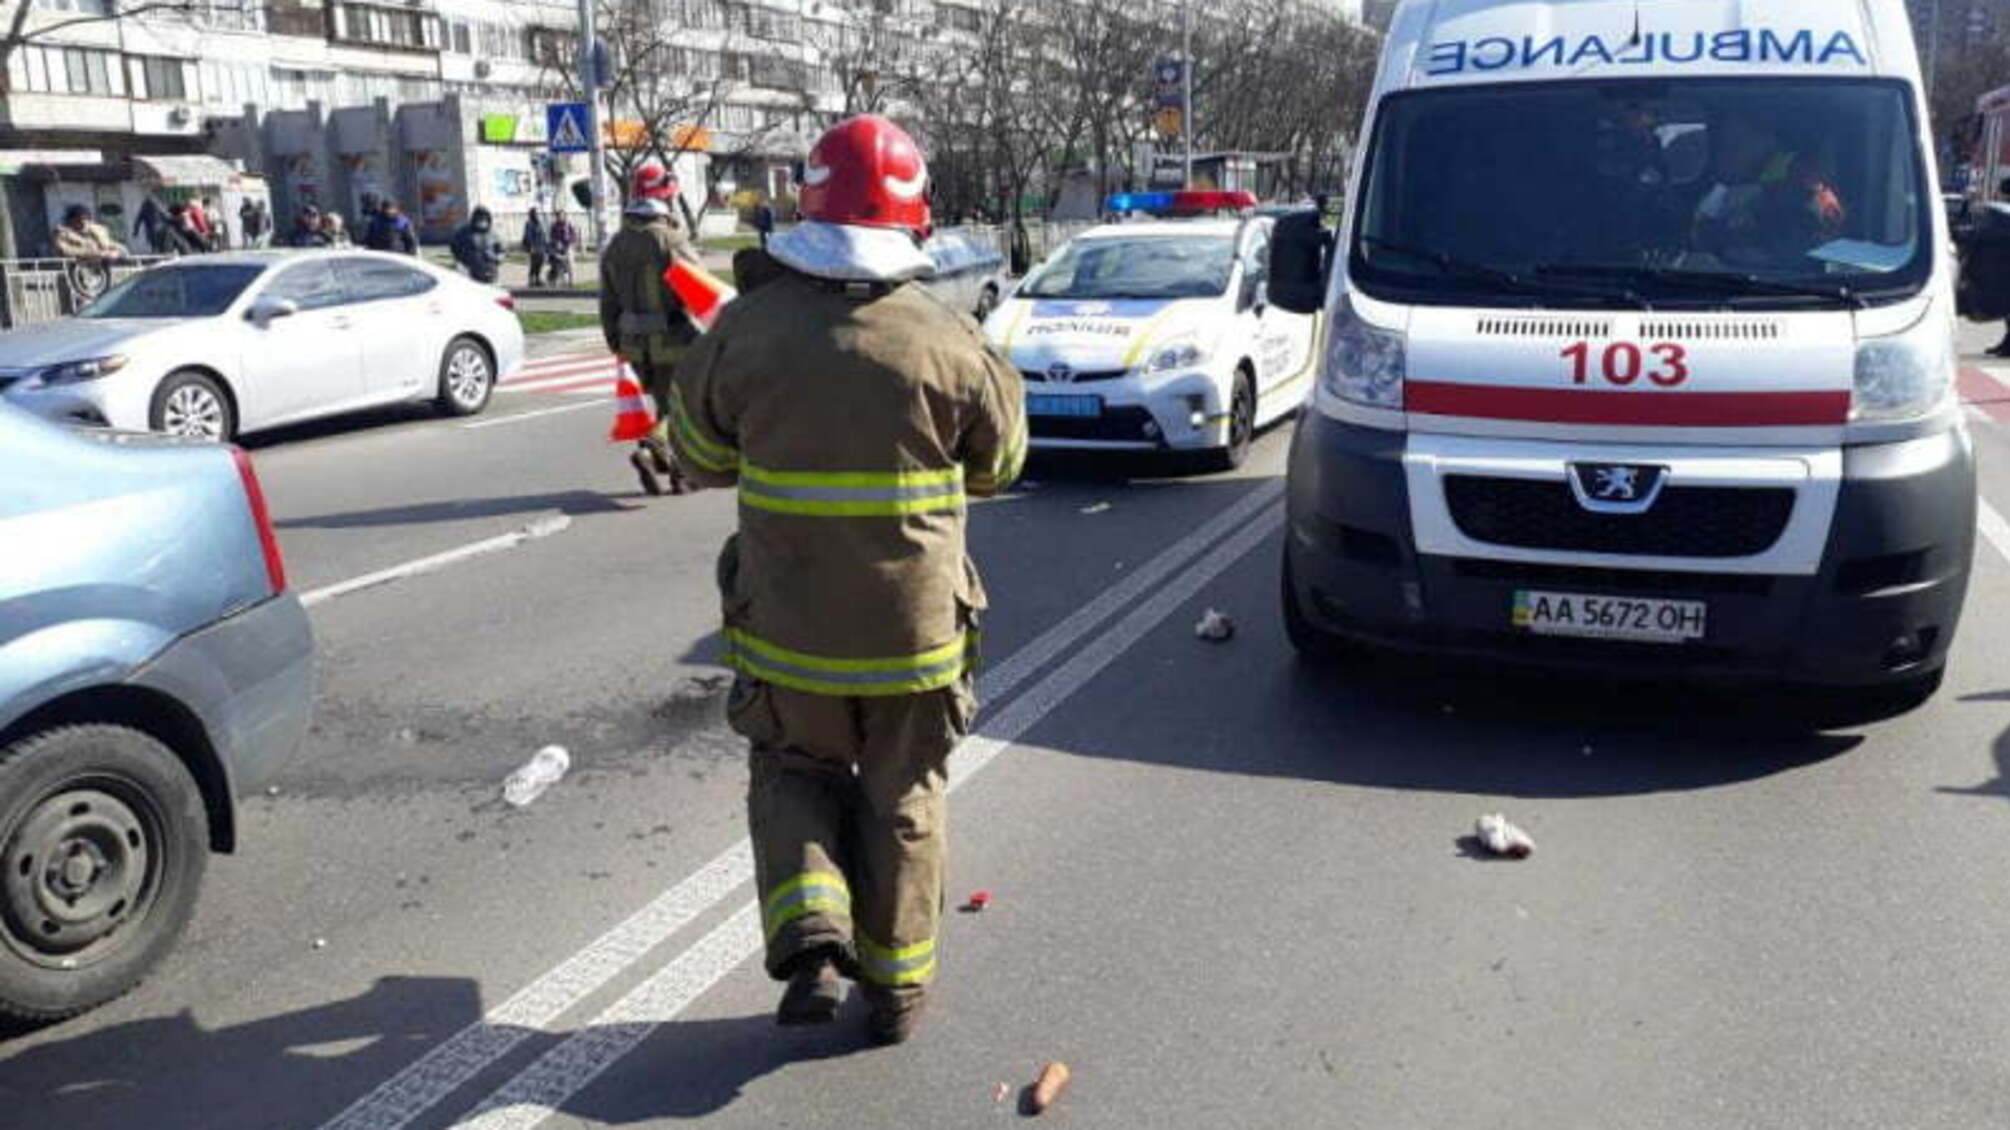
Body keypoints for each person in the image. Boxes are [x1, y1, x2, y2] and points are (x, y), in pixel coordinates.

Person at [666, 115, 1026, 1046]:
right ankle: (896, 997)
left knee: (795, 771)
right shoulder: (948, 338)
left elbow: (698, 456)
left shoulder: (745, 330)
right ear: (913, 221)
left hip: (788, 632)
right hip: (915, 636)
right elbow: (1001, 466)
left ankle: (812, 937)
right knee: (902, 799)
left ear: (806, 211)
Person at [600, 162, 702, 496]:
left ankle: (678, 473)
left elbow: (608, 302)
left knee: (664, 403)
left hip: (634, 344)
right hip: (673, 340)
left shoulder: (615, 245)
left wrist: (616, 342)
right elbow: (698, 290)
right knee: (683, 408)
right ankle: (651, 447)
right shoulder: (670, 240)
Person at [1691, 114, 1845, 269]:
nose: (1723, 154)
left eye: (1734, 144)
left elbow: (1821, 232)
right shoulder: (1719, 189)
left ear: (1767, 141)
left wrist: (1758, 197)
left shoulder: (1804, 179)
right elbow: (1700, 237)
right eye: (1720, 145)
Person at [53, 204, 126, 262]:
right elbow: (65, 250)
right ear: (71, 220)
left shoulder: (95, 230)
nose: (83, 222)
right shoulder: (62, 233)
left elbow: (111, 246)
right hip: (74, 273)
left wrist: (117, 253)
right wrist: (97, 254)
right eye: (79, 219)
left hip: (103, 273)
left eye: (85, 218)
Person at [451, 206, 503, 283]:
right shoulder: (464, 233)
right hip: (471, 268)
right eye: (480, 218)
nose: (482, 221)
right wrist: (462, 260)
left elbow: (501, 249)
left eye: (484, 218)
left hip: (490, 268)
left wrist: (498, 258)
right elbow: (455, 247)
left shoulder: (493, 233)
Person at [547, 210, 578, 286]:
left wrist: (570, 241)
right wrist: (555, 242)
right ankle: (560, 280)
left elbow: (574, 235)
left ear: (564, 216)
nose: (560, 217)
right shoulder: (554, 226)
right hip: (558, 248)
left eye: (561, 216)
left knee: (570, 264)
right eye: (558, 216)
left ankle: (571, 281)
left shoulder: (568, 225)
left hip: (567, 247)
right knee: (559, 264)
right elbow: (552, 236)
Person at [523, 206, 549, 287]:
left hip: (541, 246)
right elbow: (528, 236)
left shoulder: (540, 223)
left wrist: (546, 245)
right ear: (531, 214)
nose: (537, 215)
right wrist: (531, 246)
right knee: (534, 264)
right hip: (534, 247)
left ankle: (538, 278)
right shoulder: (529, 223)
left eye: (537, 213)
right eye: (535, 213)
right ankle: (531, 279)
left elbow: (543, 235)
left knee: (540, 263)